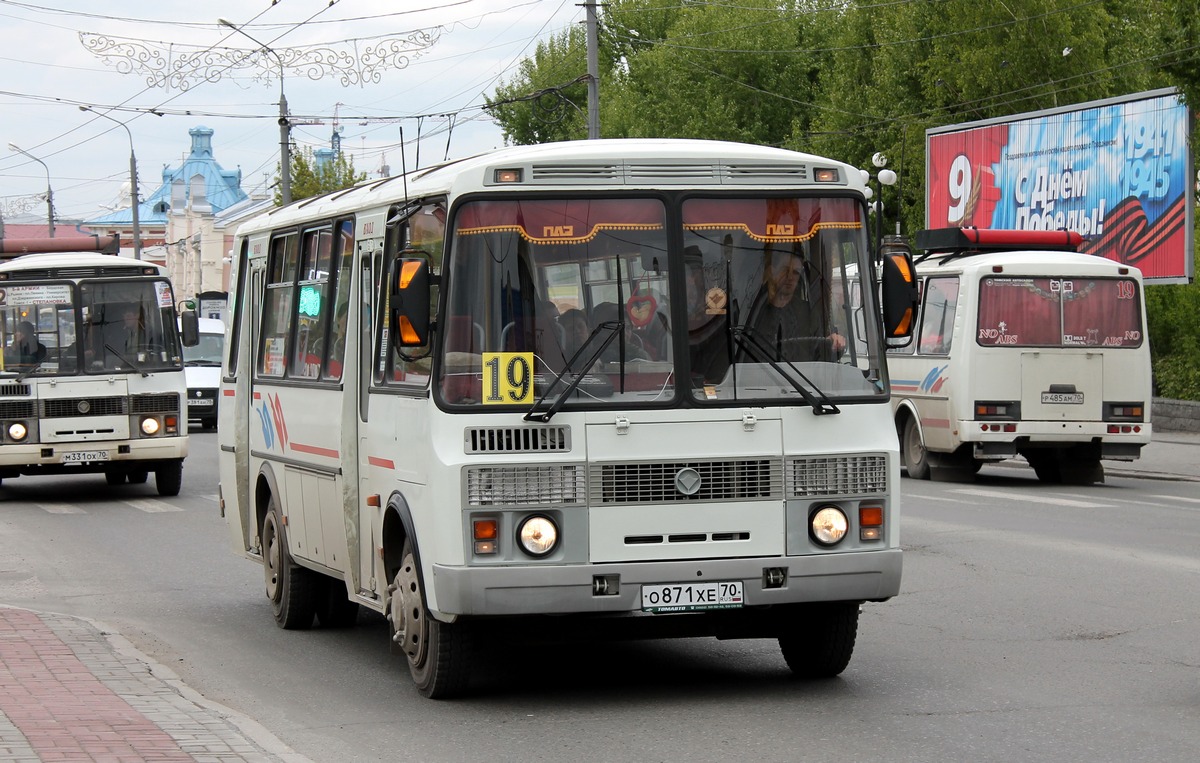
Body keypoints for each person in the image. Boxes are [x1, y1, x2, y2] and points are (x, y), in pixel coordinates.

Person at [744, 248, 845, 362]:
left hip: (800, 379)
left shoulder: (808, 314)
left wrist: (834, 343)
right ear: (772, 271)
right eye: (785, 270)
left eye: (796, 272)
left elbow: (820, 356)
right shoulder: (754, 311)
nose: (790, 277)